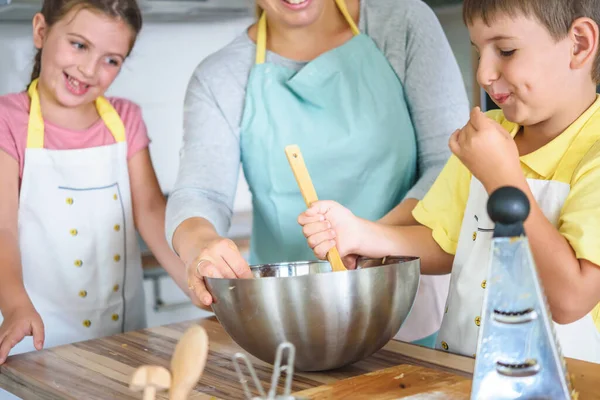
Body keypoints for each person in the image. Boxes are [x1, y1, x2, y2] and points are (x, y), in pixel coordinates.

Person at [299, 0, 600, 363]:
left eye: (505, 50)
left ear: (580, 43)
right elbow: (445, 241)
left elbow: (571, 300)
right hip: (462, 376)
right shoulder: (486, 137)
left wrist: (502, 179)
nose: (484, 73)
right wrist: (362, 235)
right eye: (478, 51)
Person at [166, 0, 470, 348]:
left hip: (406, 301)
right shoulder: (220, 75)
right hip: (287, 317)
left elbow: (449, 166)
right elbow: (200, 194)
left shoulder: (401, 23)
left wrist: (367, 238)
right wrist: (199, 247)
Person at [0, 0, 195, 363]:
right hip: (34, 338)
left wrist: (199, 284)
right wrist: (14, 305)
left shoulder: (125, 119)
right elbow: (3, 230)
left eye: (111, 60)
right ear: (41, 31)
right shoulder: (8, 120)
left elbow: (152, 213)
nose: (89, 69)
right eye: (78, 44)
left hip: (122, 339)